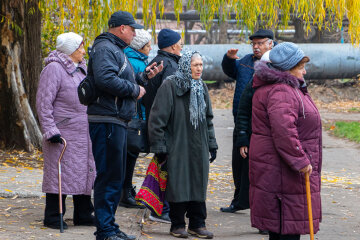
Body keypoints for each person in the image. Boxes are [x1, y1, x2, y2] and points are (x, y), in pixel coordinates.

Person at [86, 11, 163, 240]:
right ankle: (105, 231)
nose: (134, 33)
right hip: (107, 119)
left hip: (116, 119)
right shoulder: (105, 48)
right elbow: (105, 79)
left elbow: (118, 78)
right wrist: (134, 90)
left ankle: (109, 226)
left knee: (114, 177)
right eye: (132, 29)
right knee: (109, 177)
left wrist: (143, 78)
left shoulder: (115, 49)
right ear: (121, 28)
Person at [250, 42, 322, 240]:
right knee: (285, 232)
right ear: (288, 70)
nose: (304, 72)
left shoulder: (286, 88)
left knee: (284, 229)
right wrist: (301, 160)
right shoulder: (281, 91)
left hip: (281, 171)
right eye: (300, 67)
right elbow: (284, 132)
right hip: (283, 173)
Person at [148, 51, 218, 239]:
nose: (199, 68)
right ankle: (177, 224)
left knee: (198, 183)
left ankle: (198, 223)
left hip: (199, 146)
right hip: (177, 145)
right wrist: (160, 147)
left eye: (201, 65)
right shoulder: (170, 85)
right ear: (186, 65)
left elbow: (208, 119)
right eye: (195, 65)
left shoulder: (201, 86)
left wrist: (212, 143)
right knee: (178, 185)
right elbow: (157, 119)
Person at [36, 32, 96, 229]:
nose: (83, 50)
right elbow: (44, 103)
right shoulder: (54, 69)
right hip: (62, 133)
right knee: (59, 173)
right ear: (70, 49)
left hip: (82, 130)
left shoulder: (81, 69)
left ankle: (84, 213)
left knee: (83, 171)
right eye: (80, 47)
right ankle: (53, 216)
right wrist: (50, 130)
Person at [220, 29, 274, 215]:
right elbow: (230, 72)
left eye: (260, 43)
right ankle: (239, 201)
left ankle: (262, 210)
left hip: (263, 125)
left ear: (270, 44)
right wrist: (228, 59)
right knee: (239, 164)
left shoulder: (276, 64)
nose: (256, 47)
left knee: (260, 169)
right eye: (254, 44)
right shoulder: (245, 62)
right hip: (241, 121)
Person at [142, 28, 183, 223]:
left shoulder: (155, 62)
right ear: (174, 45)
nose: (181, 46)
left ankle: (158, 207)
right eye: (180, 43)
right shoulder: (171, 66)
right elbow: (173, 98)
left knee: (162, 166)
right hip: (167, 126)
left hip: (155, 121)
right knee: (169, 168)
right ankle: (163, 210)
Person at [119, 29, 152, 208]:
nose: (150, 48)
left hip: (133, 114)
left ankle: (126, 190)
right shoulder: (136, 63)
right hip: (134, 116)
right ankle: (125, 193)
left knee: (129, 156)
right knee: (130, 155)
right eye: (147, 45)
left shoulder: (135, 59)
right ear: (139, 47)